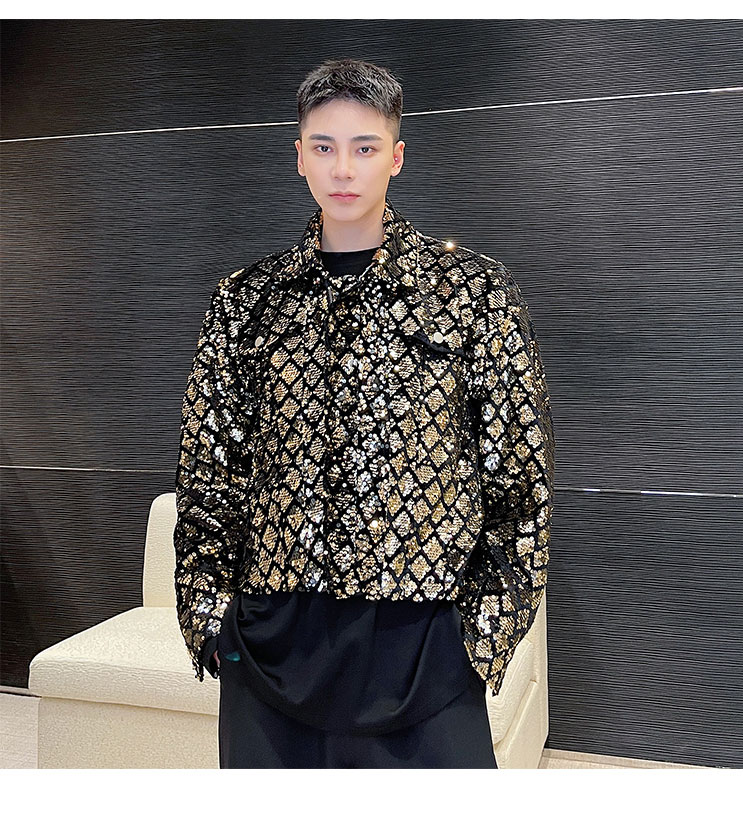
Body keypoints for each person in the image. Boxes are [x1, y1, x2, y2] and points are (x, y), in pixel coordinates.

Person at [173, 57, 555, 769]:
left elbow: (520, 480)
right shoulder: (246, 302)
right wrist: (211, 618)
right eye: (324, 146)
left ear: (396, 157)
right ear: (299, 157)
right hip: (275, 636)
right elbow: (208, 472)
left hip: (424, 641)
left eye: (364, 147)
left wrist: (481, 633)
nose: (343, 169)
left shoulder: (471, 295)